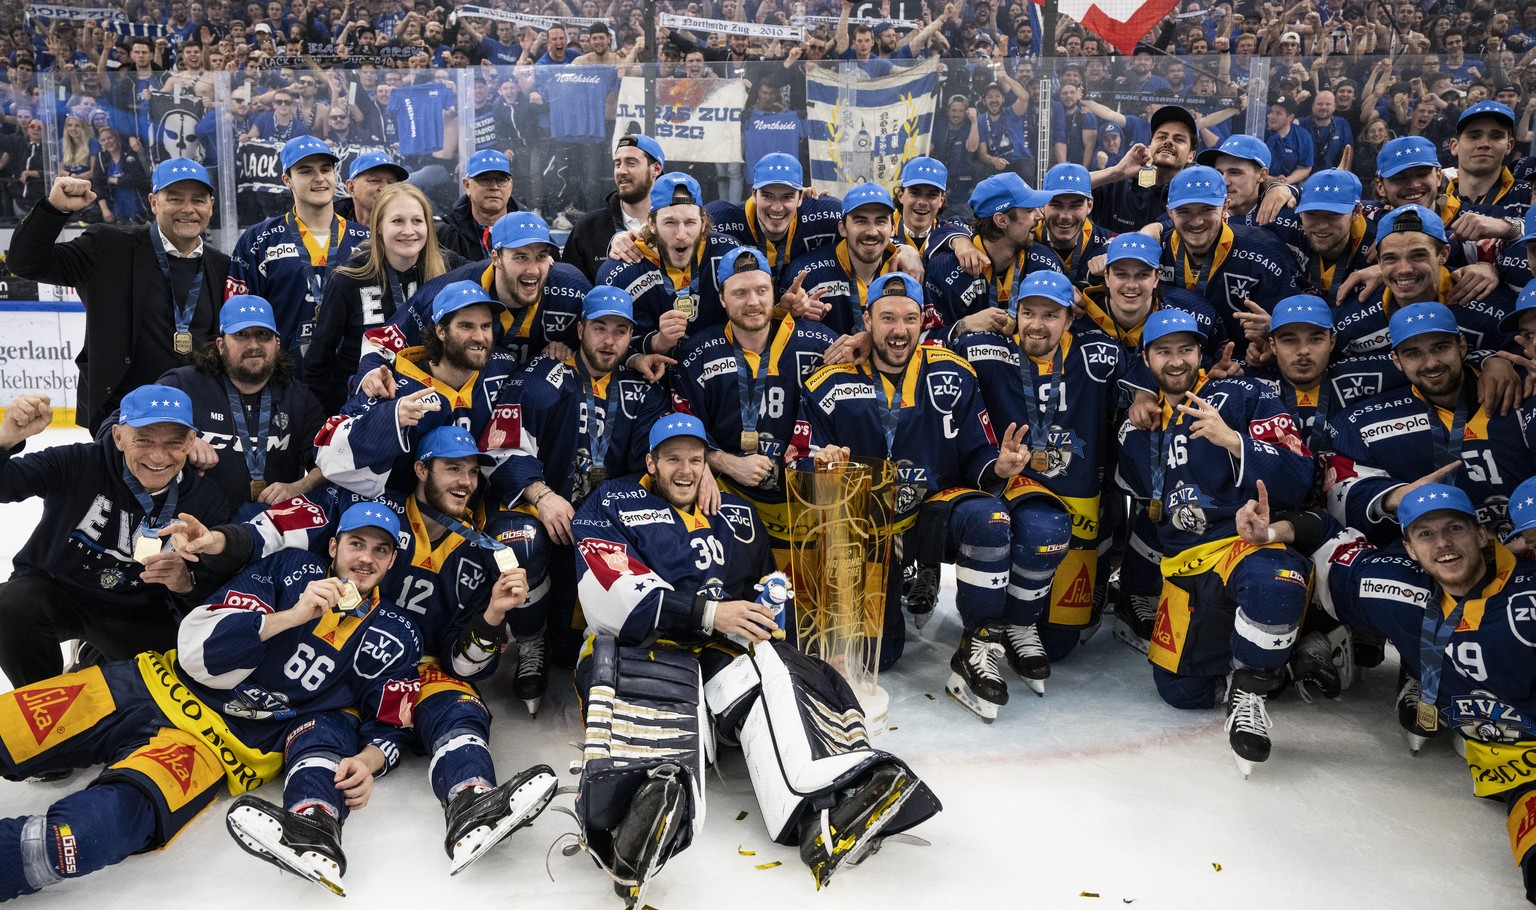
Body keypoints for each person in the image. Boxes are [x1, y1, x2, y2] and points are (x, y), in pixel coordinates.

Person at [568, 414, 941, 900]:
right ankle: (632, 820)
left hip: (718, 653)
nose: (685, 470)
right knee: (657, 703)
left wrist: (769, 607)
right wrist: (710, 612)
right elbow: (614, 592)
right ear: (651, 461)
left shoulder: (737, 513)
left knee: (777, 668)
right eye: (673, 459)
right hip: (644, 648)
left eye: (695, 460)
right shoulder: (610, 502)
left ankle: (824, 805)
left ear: (707, 464)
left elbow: (760, 596)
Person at [185, 425, 561, 876]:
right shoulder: (369, 510)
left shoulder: (484, 553)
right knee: (323, 732)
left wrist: (494, 616)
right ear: (421, 470)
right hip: (336, 666)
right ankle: (311, 824)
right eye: (452, 469)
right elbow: (281, 529)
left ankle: (472, 802)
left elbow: (464, 664)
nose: (465, 481)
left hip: (412, 665)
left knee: (458, 705)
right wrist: (222, 541)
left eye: (472, 473)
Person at [0, 500, 422, 899]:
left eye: (380, 550)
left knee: (82, 836)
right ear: (334, 546)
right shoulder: (290, 567)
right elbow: (202, 653)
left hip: (212, 748)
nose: (366, 558)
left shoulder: (400, 637)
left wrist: (368, 762)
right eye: (356, 543)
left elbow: (390, 726)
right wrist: (292, 616)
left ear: (391, 561)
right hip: (147, 685)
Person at [1247, 482, 1536, 902]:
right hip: (1518, 769)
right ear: (1410, 549)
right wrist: (1271, 533)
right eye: (1426, 534)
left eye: (1455, 529)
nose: (1443, 544)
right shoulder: (1390, 584)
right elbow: (1325, 534)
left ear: (1481, 535)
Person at [799, 273, 1040, 714]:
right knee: (879, 658)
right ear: (866, 320)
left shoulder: (954, 371)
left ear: (923, 322)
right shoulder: (828, 382)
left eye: (910, 318)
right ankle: (895, 587)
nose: (899, 330)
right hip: (866, 526)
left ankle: (976, 645)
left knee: (991, 519)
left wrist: (999, 464)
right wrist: (822, 460)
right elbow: (802, 455)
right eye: (887, 318)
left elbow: (978, 450)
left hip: (931, 510)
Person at [1114, 309, 1315, 776]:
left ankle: (1250, 686)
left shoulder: (1243, 394)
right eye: (1163, 351)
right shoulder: (1138, 429)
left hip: (1245, 544)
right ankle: (1274, 657)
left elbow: (1300, 473)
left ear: (1200, 354)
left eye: (1186, 349)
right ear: (1146, 359)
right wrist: (1138, 400)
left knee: (1276, 580)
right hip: (1187, 565)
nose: (1176, 360)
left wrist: (1235, 442)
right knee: (1180, 692)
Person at [485, 287, 667, 713]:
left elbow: (648, 468)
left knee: (571, 650)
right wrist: (542, 495)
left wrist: (605, 516)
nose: (608, 340)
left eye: (620, 331)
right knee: (520, 540)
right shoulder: (543, 378)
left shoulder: (644, 390)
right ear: (580, 328)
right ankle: (530, 644)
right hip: (545, 513)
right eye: (599, 328)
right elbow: (499, 449)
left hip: (603, 520)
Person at [0, 384, 234, 686]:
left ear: (191, 442)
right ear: (119, 437)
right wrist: (5, 441)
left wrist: (186, 583)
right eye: (144, 440)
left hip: (137, 610)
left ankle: (94, 659)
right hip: (60, 591)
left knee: (176, 687)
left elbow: (215, 593)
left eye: (173, 442)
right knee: (9, 606)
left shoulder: (206, 502)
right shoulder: (80, 462)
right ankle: (40, 698)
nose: (158, 456)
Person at [953, 271, 1128, 663]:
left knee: (1060, 647)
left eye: (1050, 315)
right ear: (1015, 313)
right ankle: (1010, 623)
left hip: (1079, 503)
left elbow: (1147, 376)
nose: (1036, 324)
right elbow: (918, 355)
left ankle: (1029, 617)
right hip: (1017, 488)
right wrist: (961, 324)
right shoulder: (985, 348)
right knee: (1034, 529)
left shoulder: (1099, 353)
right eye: (1028, 312)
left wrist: (1148, 397)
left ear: (1069, 319)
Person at [7, 159, 229, 431]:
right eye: (175, 198)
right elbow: (24, 263)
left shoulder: (222, 267)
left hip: (194, 417)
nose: (188, 209)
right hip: (120, 416)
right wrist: (54, 210)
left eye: (198, 200)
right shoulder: (108, 247)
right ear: (154, 202)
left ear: (211, 206)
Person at [1323, 301, 1535, 545]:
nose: (1431, 362)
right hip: (1441, 556)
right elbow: (1343, 495)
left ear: (1462, 345)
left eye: (1441, 347)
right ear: (1396, 360)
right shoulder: (1361, 423)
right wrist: (1394, 496)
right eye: (1413, 353)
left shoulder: (1522, 389)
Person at [671, 247, 836, 557]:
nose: (753, 302)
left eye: (762, 290)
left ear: (774, 293)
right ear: (721, 299)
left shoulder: (820, 344)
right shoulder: (697, 353)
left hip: (803, 502)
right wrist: (726, 462)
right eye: (740, 292)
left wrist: (862, 340)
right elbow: (679, 429)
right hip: (725, 496)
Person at [318, 281, 519, 500]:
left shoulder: (502, 365)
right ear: (441, 330)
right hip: (396, 511)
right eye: (466, 326)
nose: (480, 337)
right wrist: (389, 418)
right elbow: (326, 453)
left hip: (471, 507)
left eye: (486, 326)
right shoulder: (391, 384)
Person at [146, 294, 326, 512]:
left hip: (270, 530)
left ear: (276, 344)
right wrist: (181, 440)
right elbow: (122, 427)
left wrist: (300, 486)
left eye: (263, 335)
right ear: (221, 345)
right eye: (241, 335)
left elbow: (329, 464)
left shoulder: (298, 397)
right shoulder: (183, 385)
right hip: (195, 525)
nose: (253, 345)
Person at [356, 211, 588, 373]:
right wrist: (371, 373)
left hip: (534, 402)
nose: (533, 269)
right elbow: (383, 340)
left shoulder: (571, 285)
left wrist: (575, 353)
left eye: (540, 257)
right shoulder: (451, 288)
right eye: (520, 257)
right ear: (495, 258)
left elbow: (613, 335)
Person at [309, 182, 457, 413]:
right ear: (378, 226)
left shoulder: (448, 268)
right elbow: (319, 360)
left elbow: (491, 274)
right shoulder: (348, 279)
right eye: (397, 221)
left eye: (417, 221)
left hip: (431, 404)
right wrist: (331, 415)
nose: (409, 230)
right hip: (367, 406)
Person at [227, 135, 369, 372]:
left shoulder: (366, 240)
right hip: (284, 381)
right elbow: (238, 317)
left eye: (326, 169)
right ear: (287, 180)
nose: (319, 178)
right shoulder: (259, 240)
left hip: (355, 380)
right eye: (305, 171)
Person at [1157, 165, 1304, 349]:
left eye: (1207, 209)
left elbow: (1301, 325)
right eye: (1184, 211)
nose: (1196, 221)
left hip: (1245, 365)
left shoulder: (1265, 251)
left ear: (1225, 206)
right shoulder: (1155, 250)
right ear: (1169, 212)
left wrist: (1274, 328)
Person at [597, 172, 740, 356]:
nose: (681, 234)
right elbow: (610, 347)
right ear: (651, 222)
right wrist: (658, 342)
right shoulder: (622, 270)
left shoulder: (729, 254)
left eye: (690, 222)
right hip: (652, 379)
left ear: (703, 222)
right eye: (670, 222)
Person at [705, 154, 842, 286]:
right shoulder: (719, 218)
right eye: (768, 196)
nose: (777, 208)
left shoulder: (825, 212)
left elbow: (859, 227)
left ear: (800, 197)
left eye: (787, 197)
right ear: (754, 194)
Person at [562, 133, 663, 283]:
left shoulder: (678, 226)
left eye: (631, 163)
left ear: (656, 169)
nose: (621, 171)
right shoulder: (588, 228)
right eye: (617, 164)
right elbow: (571, 289)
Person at [436, 150, 520, 263]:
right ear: (467, 185)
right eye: (484, 179)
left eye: (501, 180)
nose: (494, 187)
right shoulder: (444, 235)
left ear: (510, 185)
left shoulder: (532, 230)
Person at [334, 149, 407, 229]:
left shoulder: (408, 229)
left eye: (391, 182)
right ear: (351, 188)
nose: (385, 188)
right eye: (374, 180)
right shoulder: (329, 227)